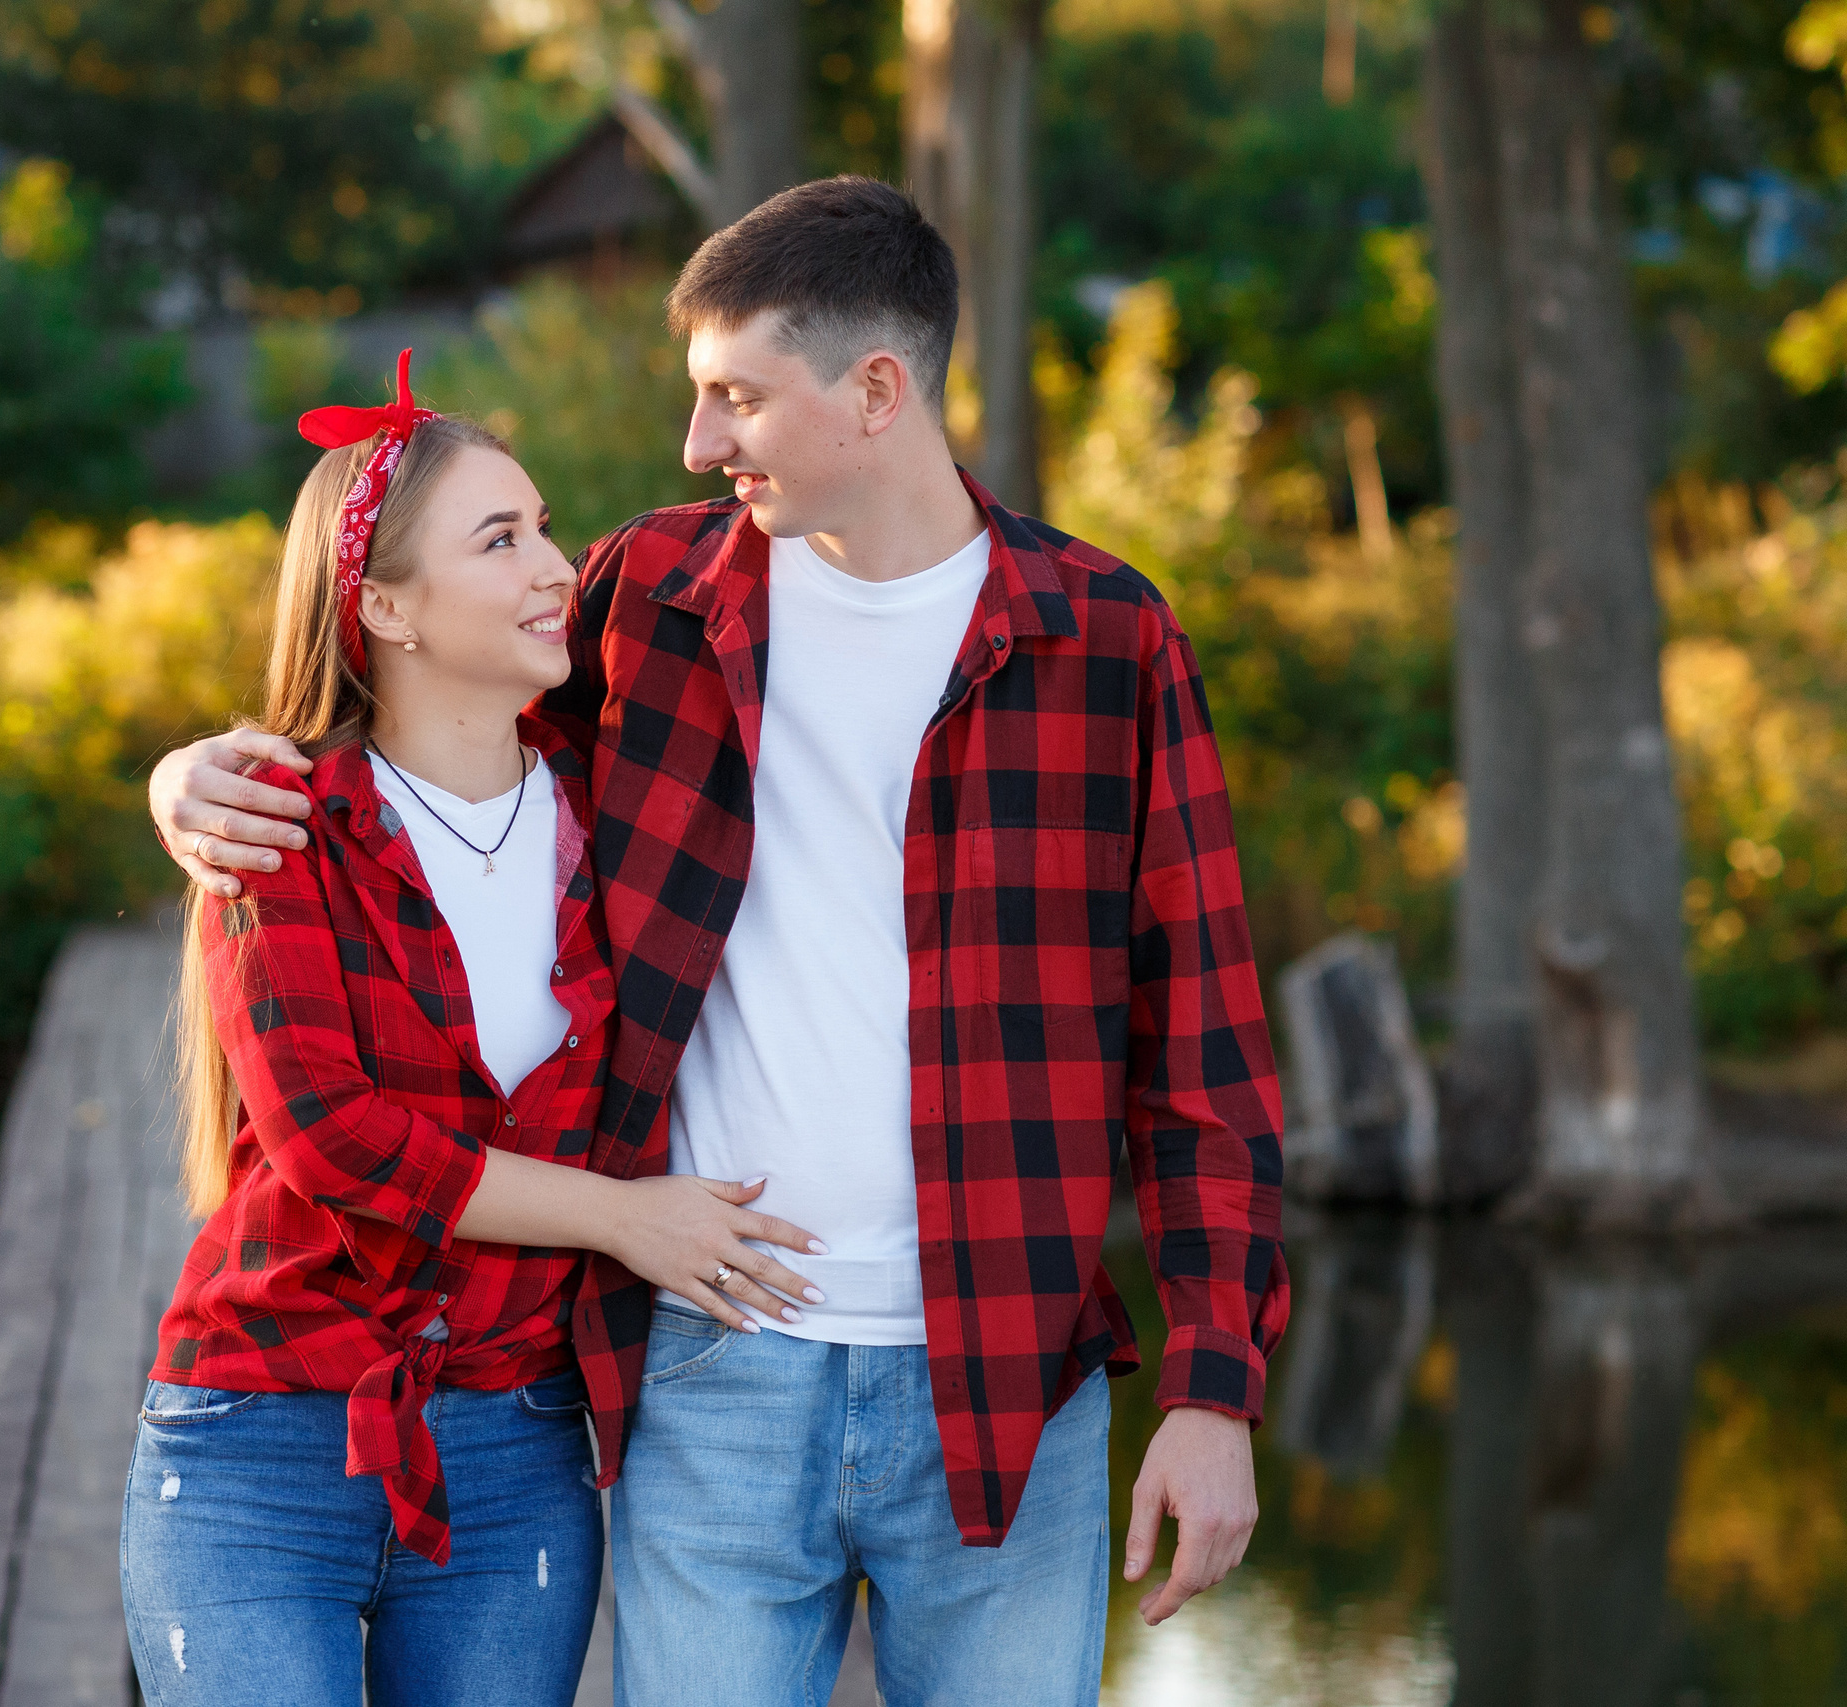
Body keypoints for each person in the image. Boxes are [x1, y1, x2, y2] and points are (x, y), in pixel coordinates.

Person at [152, 179, 1289, 1706]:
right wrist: (197, 777)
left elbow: (1205, 1059)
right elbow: (427, 731)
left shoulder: (1105, 641)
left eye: (736, 398)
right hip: (709, 1367)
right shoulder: (649, 604)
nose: (697, 444)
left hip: (1010, 1376)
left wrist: (1214, 1390)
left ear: (875, 391)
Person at [123, 356, 828, 1707]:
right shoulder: (283, 826)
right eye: (500, 540)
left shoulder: (613, 813)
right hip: (262, 1440)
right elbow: (333, 1138)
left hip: (517, 1451)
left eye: (546, 527)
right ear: (384, 604)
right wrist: (625, 1220)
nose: (558, 568)